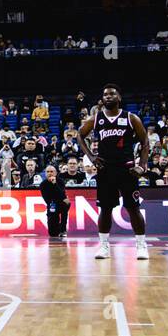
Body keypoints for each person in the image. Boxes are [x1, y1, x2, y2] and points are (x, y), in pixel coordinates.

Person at [77, 84, 150, 260]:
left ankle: (141, 245)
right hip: (105, 169)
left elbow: (145, 142)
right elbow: (80, 135)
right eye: (105, 95)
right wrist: (91, 157)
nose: (108, 97)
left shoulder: (131, 118)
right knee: (105, 209)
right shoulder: (95, 119)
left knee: (133, 208)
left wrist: (142, 165)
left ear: (119, 97)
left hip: (127, 169)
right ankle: (104, 246)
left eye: (112, 94)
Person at [39, 165, 70, 239]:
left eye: (51, 171)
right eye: (48, 172)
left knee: (66, 204)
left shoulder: (60, 181)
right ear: (45, 173)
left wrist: (54, 184)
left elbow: (61, 194)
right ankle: (58, 227)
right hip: (52, 205)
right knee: (52, 233)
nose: (50, 173)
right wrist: (58, 199)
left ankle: (63, 229)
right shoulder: (43, 184)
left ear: (55, 173)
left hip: (62, 204)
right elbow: (47, 199)